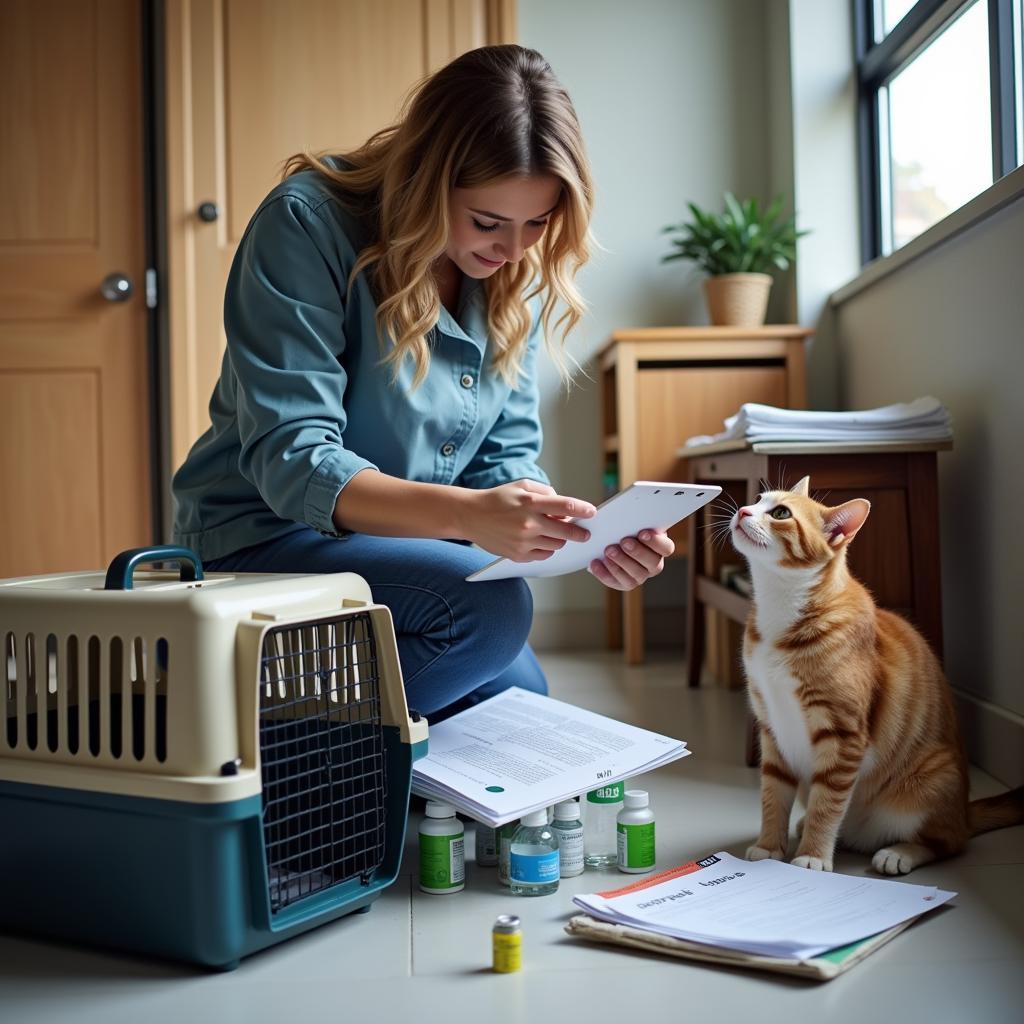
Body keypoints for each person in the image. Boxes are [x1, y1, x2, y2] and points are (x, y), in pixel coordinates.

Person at [172, 44, 673, 719]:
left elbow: (504, 458)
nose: (513, 250)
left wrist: (570, 534)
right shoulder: (305, 222)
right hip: (264, 535)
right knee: (489, 617)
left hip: (410, 545)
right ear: (426, 180)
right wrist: (469, 516)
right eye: (488, 222)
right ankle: (251, 745)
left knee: (522, 704)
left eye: (538, 224)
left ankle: (353, 773)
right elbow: (293, 462)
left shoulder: (508, 272)